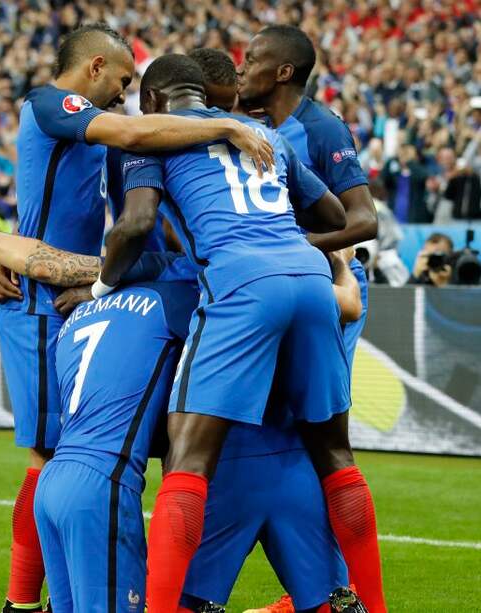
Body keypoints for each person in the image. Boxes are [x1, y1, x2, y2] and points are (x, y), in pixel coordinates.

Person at [0, 211, 363, 613]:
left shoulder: (84, 313)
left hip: (52, 480)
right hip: (108, 488)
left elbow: (48, 263)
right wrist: (342, 266)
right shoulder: (188, 296)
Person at [0, 23, 274, 612]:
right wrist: (222, 125)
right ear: (94, 68)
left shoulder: (103, 143)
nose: (124, 92)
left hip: (91, 283)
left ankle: (163, 590)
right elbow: (126, 136)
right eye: (122, 80)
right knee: (58, 452)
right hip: (48, 293)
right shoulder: (54, 105)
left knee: (158, 445)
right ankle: (23, 601)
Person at [94, 54, 348, 613]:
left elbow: (135, 225)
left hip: (239, 285)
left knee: (186, 459)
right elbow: (336, 216)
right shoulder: (264, 133)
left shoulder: (153, 139)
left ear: (154, 102)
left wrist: (100, 283)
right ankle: (371, 603)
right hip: (309, 279)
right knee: (335, 455)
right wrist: (281, 241)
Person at [237, 26, 386, 613]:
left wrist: (299, 242)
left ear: (282, 73)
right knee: (286, 438)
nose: (241, 67)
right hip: (280, 291)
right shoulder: (243, 121)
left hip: (326, 290)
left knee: (321, 438)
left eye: (253, 60)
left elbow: (365, 219)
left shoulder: (319, 128)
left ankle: (340, 593)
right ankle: (316, 588)